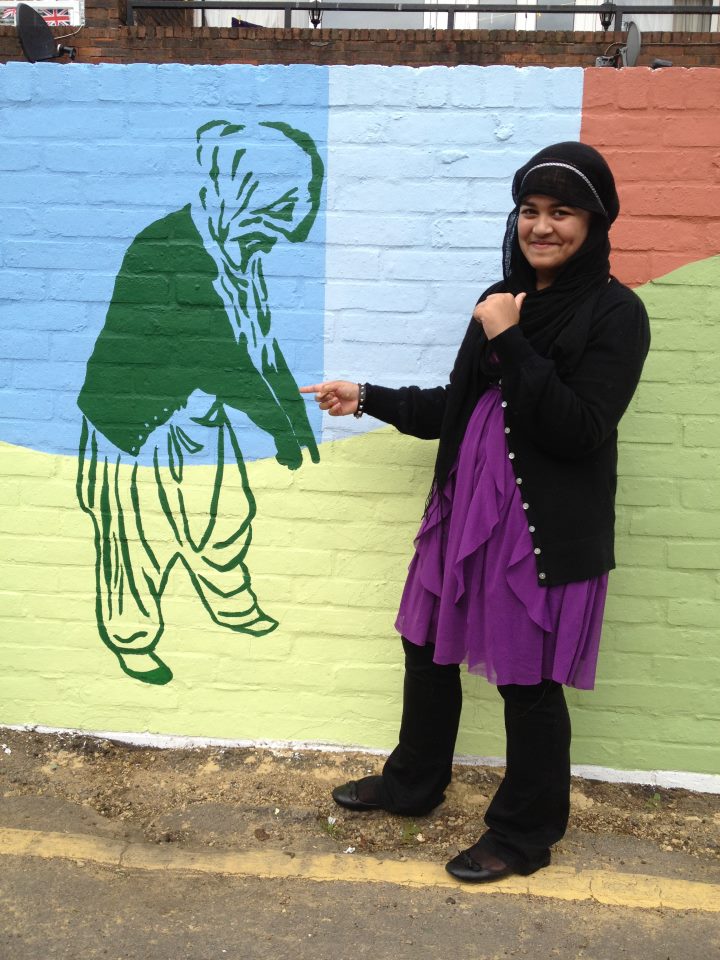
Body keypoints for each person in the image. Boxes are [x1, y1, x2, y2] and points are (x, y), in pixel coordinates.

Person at [301, 142, 650, 883]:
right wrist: (366, 396)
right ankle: (413, 783)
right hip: (463, 515)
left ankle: (523, 836)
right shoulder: (505, 296)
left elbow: (578, 427)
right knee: (425, 649)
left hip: (537, 535)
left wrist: (508, 334)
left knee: (527, 683)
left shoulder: (615, 313)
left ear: (595, 223)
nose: (542, 227)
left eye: (562, 212)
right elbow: (453, 407)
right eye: (531, 211)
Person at [77, 120, 323, 685]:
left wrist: (293, 417)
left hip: (195, 413)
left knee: (225, 515)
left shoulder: (238, 251)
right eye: (274, 217)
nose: (281, 237)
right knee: (133, 540)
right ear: (243, 195)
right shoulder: (171, 252)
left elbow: (259, 344)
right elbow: (222, 358)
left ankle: (228, 599)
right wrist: (282, 428)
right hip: (133, 422)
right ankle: (131, 638)